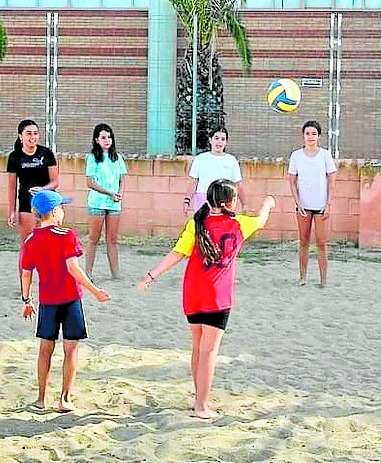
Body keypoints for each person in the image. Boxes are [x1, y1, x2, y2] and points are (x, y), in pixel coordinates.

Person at [139, 179, 275, 419]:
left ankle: (198, 397)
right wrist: (268, 203)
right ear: (229, 202)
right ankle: (201, 405)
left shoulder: (197, 223)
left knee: (198, 348)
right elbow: (262, 220)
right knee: (209, 351)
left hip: (192, 292)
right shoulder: (239, 224)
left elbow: (177, 254)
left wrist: (151, 275)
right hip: (217, 296)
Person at [20, 189, 110, 412]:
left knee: (45, 349)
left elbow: (26, 273)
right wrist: (95, 291)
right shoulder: (67, 235)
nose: (62, 211)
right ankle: (64, 398)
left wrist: (26, 299)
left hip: (47, 302)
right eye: (61, 207)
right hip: (70, 300)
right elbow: (73, 268)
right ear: (53, 211)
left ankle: (41, 399)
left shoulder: (31, 240)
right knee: (71, 349)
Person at [288, 120, 337, 287]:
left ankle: (323, 280)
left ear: (319, 136)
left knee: (322, 243)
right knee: (303, 241)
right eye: (307, 133)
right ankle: (303, 278)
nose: (310, 137)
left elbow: (332, 181)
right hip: (303, 206)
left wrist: (328, 204)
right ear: (303, 136)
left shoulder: (325, 155)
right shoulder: (296, 156)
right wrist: (298, 203)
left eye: (314, 134)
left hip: (321, 206)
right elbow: (292, 181)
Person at [85, 123, 127, 278]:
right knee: (93, 239)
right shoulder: (92, 158)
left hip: (114, 204)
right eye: (103, 137)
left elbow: (122, 179)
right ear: (96, 140)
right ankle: (87, 273)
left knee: (112, 239)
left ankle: (115, 274)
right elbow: (90, 183)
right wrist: (109, 192)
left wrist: (119, 195)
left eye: (109, 137)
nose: (107, 140)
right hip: (97, 203)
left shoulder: (118, 158)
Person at [7, 119, 59, 245]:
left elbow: (55, 182)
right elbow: (12, 186)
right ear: (21, 136)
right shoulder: (14, 157)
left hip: (47, 203)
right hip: (26, 203)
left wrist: (42, 189)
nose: (33, 137)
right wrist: (12, 211)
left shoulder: (46, 153)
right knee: (28, 244)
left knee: (48, 244)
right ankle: (25, 266)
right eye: (29, 133)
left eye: (35, 133)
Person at [183, 127, 248, 215]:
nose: (219, 142)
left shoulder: (231, 160)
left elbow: (238, 184)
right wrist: (187, 200)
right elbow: (193, 182)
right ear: (210, 140)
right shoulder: (200, 159)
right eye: (216, 138)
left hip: (224, 201)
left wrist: (244, 204)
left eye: (223, 139)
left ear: (226, 142)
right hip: (203, 200)